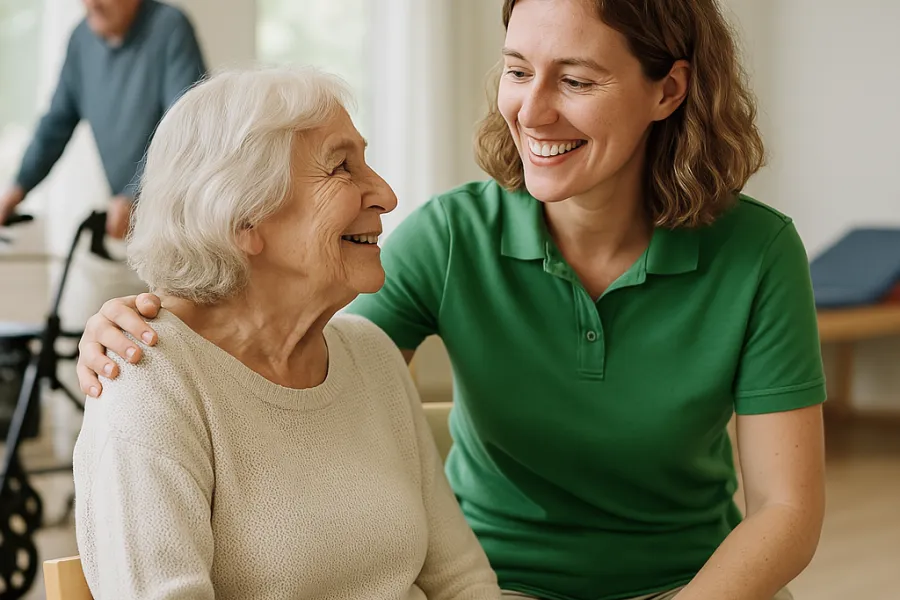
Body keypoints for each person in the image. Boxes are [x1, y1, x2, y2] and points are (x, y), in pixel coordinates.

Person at [74, 1, 828, 599]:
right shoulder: (451, 238)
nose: (531, 112)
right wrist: (150, 323)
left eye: (576, 80)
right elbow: (287, 364)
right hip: (506, 584)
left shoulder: (756, 253)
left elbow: (786, 511)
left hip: (696, 586)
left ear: (668, 88)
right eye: (517, 70)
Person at [71, 65, 502, 600]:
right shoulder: (148, 375)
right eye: (342, 168)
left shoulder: (372, 355)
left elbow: (462, 581)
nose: (387, 195)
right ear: (244, 217)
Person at [0, 0, 207, 236]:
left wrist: (136, 193)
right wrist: (17, 188)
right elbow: (56, 125)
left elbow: (184, 124)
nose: (92, 4)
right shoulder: (81, 39)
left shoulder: (170, 27)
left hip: (175, 208)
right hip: (128, 212)